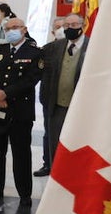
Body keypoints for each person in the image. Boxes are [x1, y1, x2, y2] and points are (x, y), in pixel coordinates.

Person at [0, 16, 43, 206]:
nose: (11, 31)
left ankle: (24, 194)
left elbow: (30, 80)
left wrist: (5, 94)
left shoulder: (34, 52)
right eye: (7, 28)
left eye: (15, 27)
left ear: (24, 29)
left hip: (20, 112)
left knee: (21, 154)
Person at [35, 13, 87, 175]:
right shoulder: (54, 48)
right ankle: (56, 174)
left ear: (82, 25)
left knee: (79, 142)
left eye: (73, 25)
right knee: (54, 142)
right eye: (66, 26)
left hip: (82, 108)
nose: (70, 29)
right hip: (56, 105)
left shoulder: (94, 48)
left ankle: (78, 174)